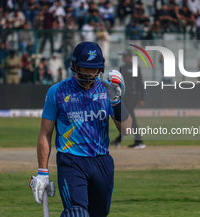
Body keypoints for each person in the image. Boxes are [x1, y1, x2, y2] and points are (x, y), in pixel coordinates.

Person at [30, 42, 132, 217]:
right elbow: (45, 133)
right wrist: (42, 172)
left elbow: (126, 129)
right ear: (75, 65)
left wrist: (116, 102)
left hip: (102, 163)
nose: (90, 73)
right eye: (85, 68)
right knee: (76, 214)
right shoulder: (58, 92)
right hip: (71, 162)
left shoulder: (107, 90)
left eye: (94, 69)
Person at [112, 50, 145, 149]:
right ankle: (124, 140)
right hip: (124, 96)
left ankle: (137, 141)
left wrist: (142, 98)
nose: (124, 58)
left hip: (132, 96)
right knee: (125, 117)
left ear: (130, 57)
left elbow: (140, 83)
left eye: (126, 56)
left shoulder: (135, 68)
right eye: (123, 56)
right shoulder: (122, 68)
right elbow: (118, 82)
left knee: (129, 117)